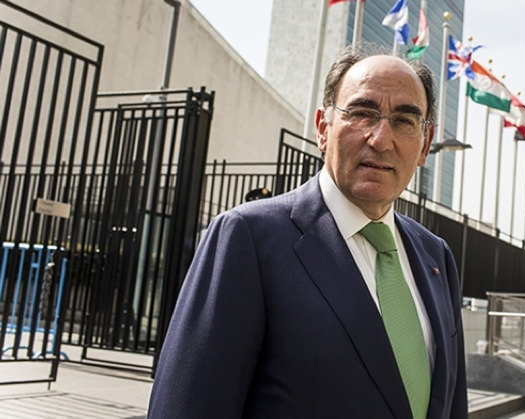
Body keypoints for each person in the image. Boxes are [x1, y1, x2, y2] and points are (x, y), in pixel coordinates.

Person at [147, 47, 468, 418]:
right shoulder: (248, 239)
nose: (381, 138)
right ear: (322, 128)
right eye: (362, 113)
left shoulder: (436, 256)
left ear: (425, 145)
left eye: (404, 121)